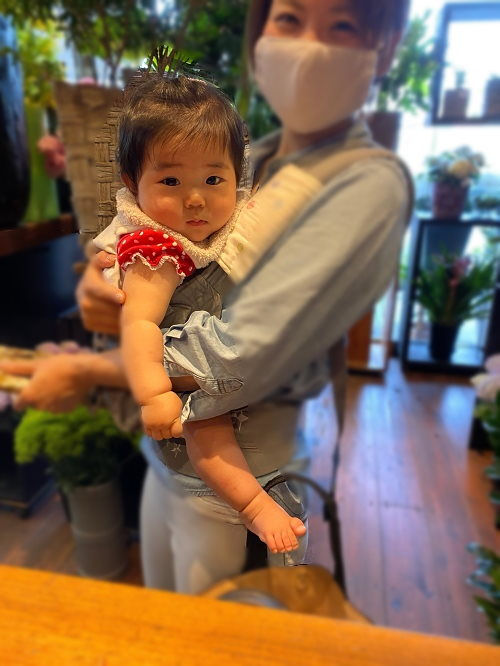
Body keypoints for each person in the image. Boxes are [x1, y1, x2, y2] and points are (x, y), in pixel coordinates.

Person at [2, 0, 412, 595]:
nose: (309, 46)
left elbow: (239, 354)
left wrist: (89, 368)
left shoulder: (362, 186)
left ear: (386, 46)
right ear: (260, 33)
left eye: (342, 25)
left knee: (209, 619)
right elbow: (138, 292)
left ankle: (259, 513)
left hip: (233, 468)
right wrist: (103, 282)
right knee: (163, 603)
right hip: (167, 454)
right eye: (290, 19)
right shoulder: (261, 155)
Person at [92, 72, 306, 554]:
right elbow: (139, 323)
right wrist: (154, 395)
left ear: (237, 177)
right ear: (132, 183)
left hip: (251, 390)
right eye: (171, 181)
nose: (195, 199)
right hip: (181, 377)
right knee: (207, 431)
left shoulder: (226, 220)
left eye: (213, 179)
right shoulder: (155, 249)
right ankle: (254, 507)